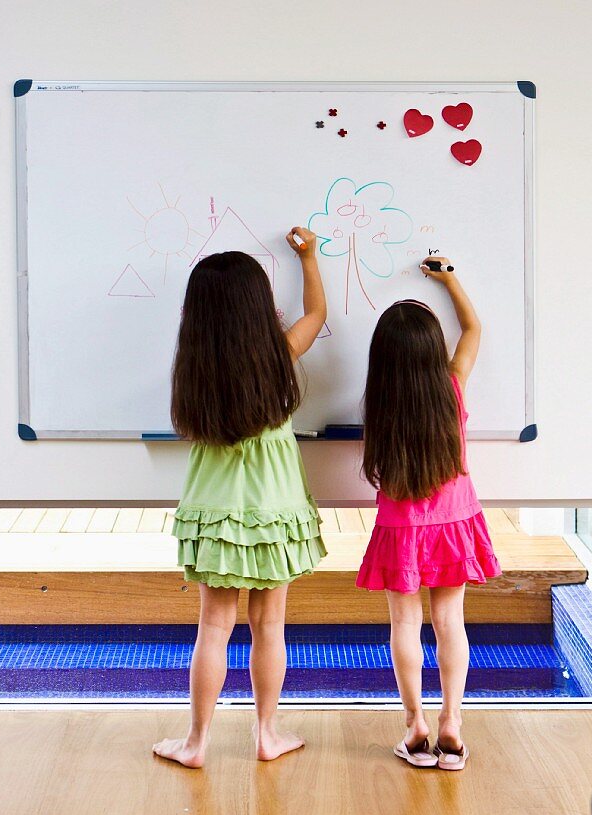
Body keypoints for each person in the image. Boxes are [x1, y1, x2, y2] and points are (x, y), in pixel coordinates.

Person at [153, 230, 327, 768]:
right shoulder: (278, 356)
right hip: (273, 508)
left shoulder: (195, 370)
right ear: (259, 307)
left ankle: (197, 743)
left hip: (216, 509)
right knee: (269, 624)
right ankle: (266, 735)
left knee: (213, 627)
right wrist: (309, 257)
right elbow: (316, 314)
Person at [356, 259, 501, 771]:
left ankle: (415, 726)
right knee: (449, 623)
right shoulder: (453, 388)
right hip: (455, 524)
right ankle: (452, 726)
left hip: (402, 530)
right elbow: (473, 327)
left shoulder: (381, 404)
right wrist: (449, 280)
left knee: (405, 623)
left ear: (383, 360)